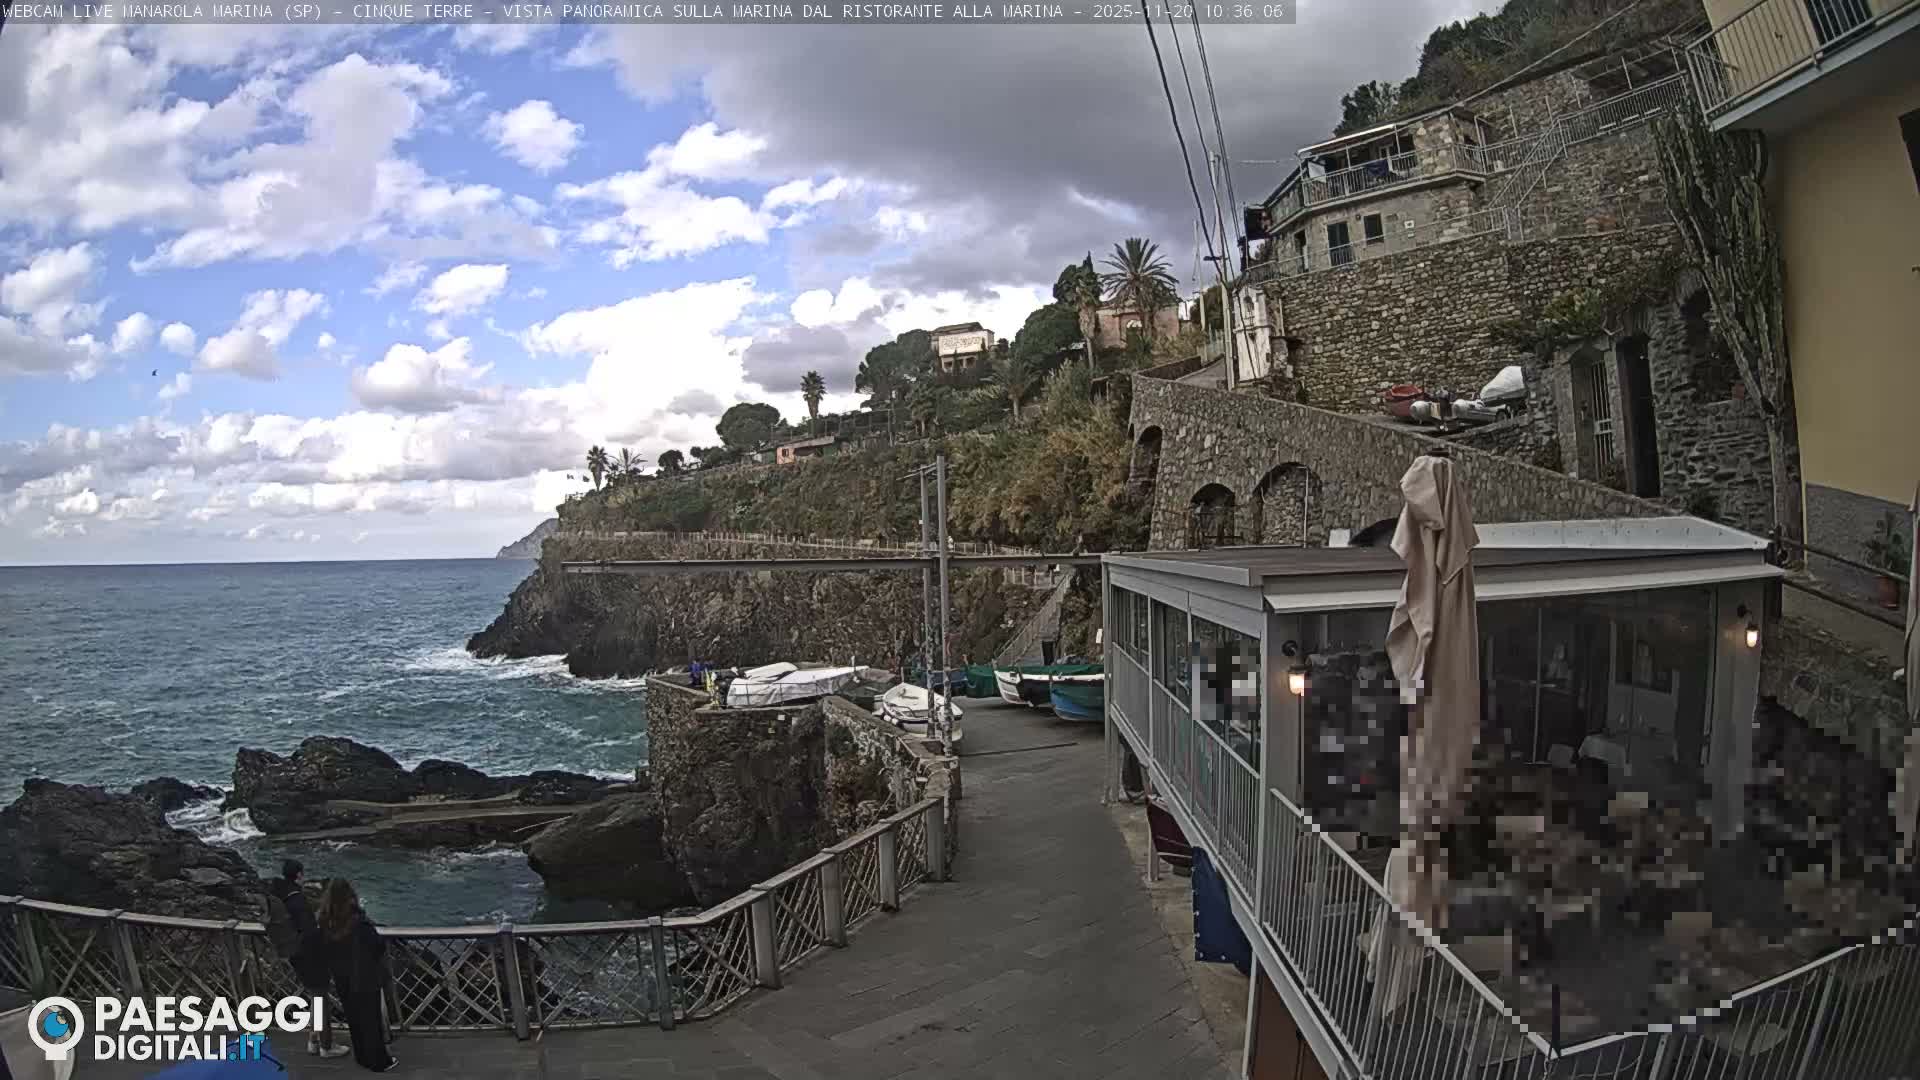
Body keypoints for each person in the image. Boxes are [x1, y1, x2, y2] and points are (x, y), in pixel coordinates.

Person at [266, 860, 349, 1058]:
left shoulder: (280, 895)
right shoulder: (297, 900)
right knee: (320, 1000)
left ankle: (313, 1039)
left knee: (314, 997)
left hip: (294, 953)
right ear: (300, 875)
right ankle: (327, 1046)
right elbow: (310, 933)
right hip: (308, 955)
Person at [318, 878, 397, 1073]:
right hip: (363, 975)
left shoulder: (326, 920)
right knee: (371, 1019)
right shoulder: (358, 920)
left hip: (341, 976)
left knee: (354, 1017)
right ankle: (379, 1061)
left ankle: (362, 1056)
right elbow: (377, 945)